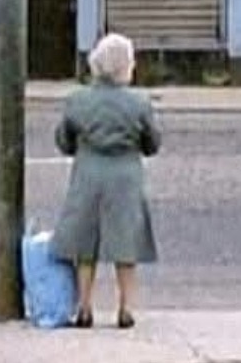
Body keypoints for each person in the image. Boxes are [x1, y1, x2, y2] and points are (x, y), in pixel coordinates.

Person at [50, 32, 160, 329]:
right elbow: (152, 143)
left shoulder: (77, 100)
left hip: (88, 173)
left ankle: (85, 307)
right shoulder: (139, 102)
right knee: (127, 245)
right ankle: (125, 308)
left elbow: (64, 140)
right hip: (125, 176)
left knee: (86, 243)